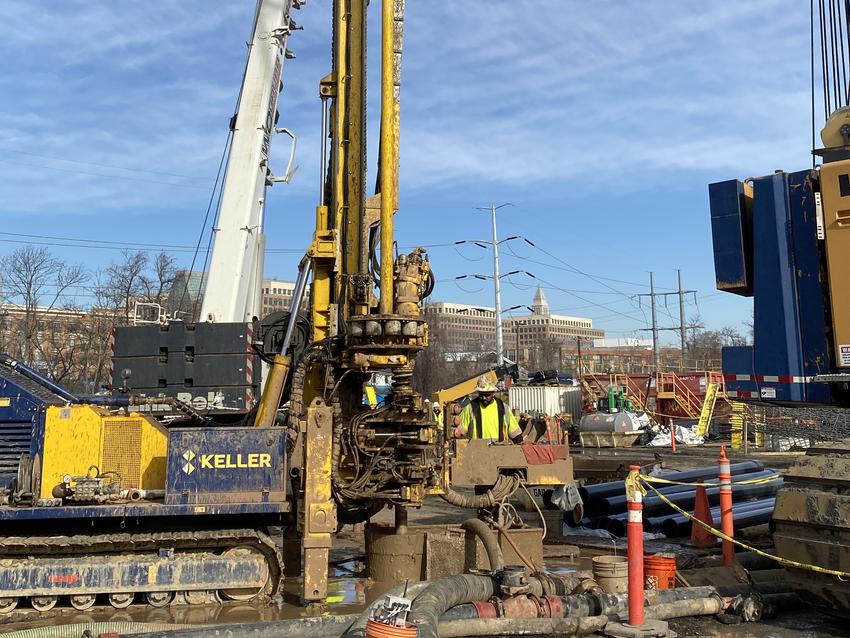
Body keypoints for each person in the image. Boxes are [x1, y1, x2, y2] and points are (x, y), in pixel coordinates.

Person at [454, 375, 524, 444]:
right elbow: (459, 432)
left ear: (493, 393)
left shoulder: (503, 408)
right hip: (477, 452)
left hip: (500, 452)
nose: (484, 398)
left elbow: (515, 433)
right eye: (481, 394)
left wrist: (520, 444)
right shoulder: (471, 408)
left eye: (487, 395)